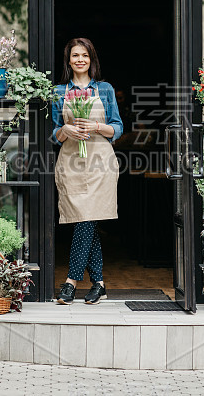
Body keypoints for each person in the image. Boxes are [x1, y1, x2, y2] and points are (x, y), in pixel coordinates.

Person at [51, 38, 123, 305]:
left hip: (100, 162)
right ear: (68, 60)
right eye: (74, 56)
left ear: (91, 59)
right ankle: (99, 283)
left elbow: (117, 126)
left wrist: (95, 127)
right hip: (71, 161)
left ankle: (71, 281)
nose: (80, 60)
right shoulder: (59, 91)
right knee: (85, 219)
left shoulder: (104, 89)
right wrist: (65, 130)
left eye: (85, 55)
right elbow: (54, 133)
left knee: (86, 219)